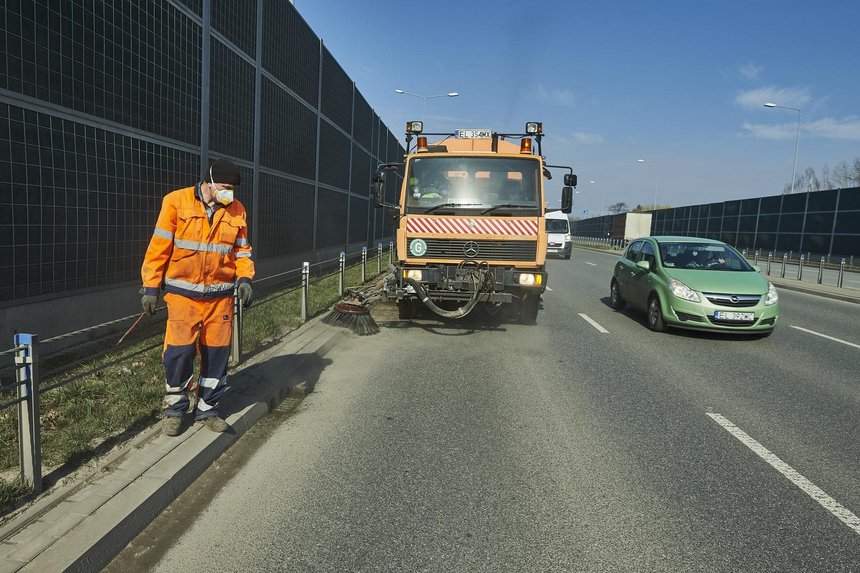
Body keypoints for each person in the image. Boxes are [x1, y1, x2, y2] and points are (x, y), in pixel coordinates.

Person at [140, 158, 255, 436]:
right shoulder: (176, 202)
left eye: (233, 189)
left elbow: (242, 251)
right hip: (183, 297)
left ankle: (208, 410)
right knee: (178, 355)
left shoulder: (237, 210)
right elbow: (159, 247)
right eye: (226, 187)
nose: (230, 194)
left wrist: (245, 279)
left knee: (217, 357)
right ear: (210, 182)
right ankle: (175, 409)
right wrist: (151, 288)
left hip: (220, 298)